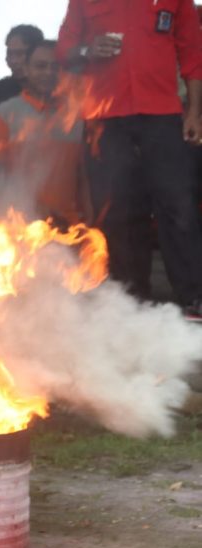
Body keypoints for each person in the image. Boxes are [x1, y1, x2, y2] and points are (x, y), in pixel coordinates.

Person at [58, 0, 202, 314]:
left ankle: (194, 297)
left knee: (178, 203)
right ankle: (130, 298)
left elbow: (193, 55)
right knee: (116, 209)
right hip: (104, 119)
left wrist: (195, 112)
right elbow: (64, 51)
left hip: (163, 114)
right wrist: (88, 50)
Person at [0, 41, 89, 227]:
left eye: (56, 67)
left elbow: (84, 175)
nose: (48, 72)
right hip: (17, 224)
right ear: (26, 69)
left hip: (68, 225)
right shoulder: (5, 113)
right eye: (40, 66)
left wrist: (88, 214)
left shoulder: (79, 117)